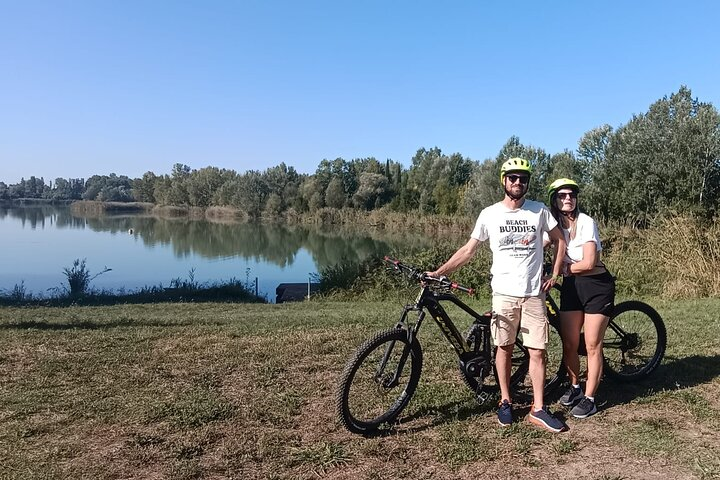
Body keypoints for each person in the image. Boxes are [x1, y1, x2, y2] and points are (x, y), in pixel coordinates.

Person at [428, 158, 568, 433]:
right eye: (513, 177)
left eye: (523, 178)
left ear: (527, 183)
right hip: (503, 294)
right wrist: (438, 271)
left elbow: (560, 239)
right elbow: (468, 250)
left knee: (537, 351)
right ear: (503, 180)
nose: (518, 182)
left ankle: (537, 408)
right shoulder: (489, 214)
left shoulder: (538, 211)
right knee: (503, 349)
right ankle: (505, 400)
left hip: (532, 295)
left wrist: (555, 274)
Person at [547, 178, 616, 419]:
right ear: (555, 200)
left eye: (572, 195)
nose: (568, 198)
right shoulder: (556, 226)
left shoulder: (586, 222)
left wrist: (559, 271)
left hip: (596, 286)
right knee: (570, 343)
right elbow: (539, 245)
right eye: (563, 195)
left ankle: (590, 399)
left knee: (592, 344)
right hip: (572, 287)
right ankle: (576, 387)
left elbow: (589, 262)